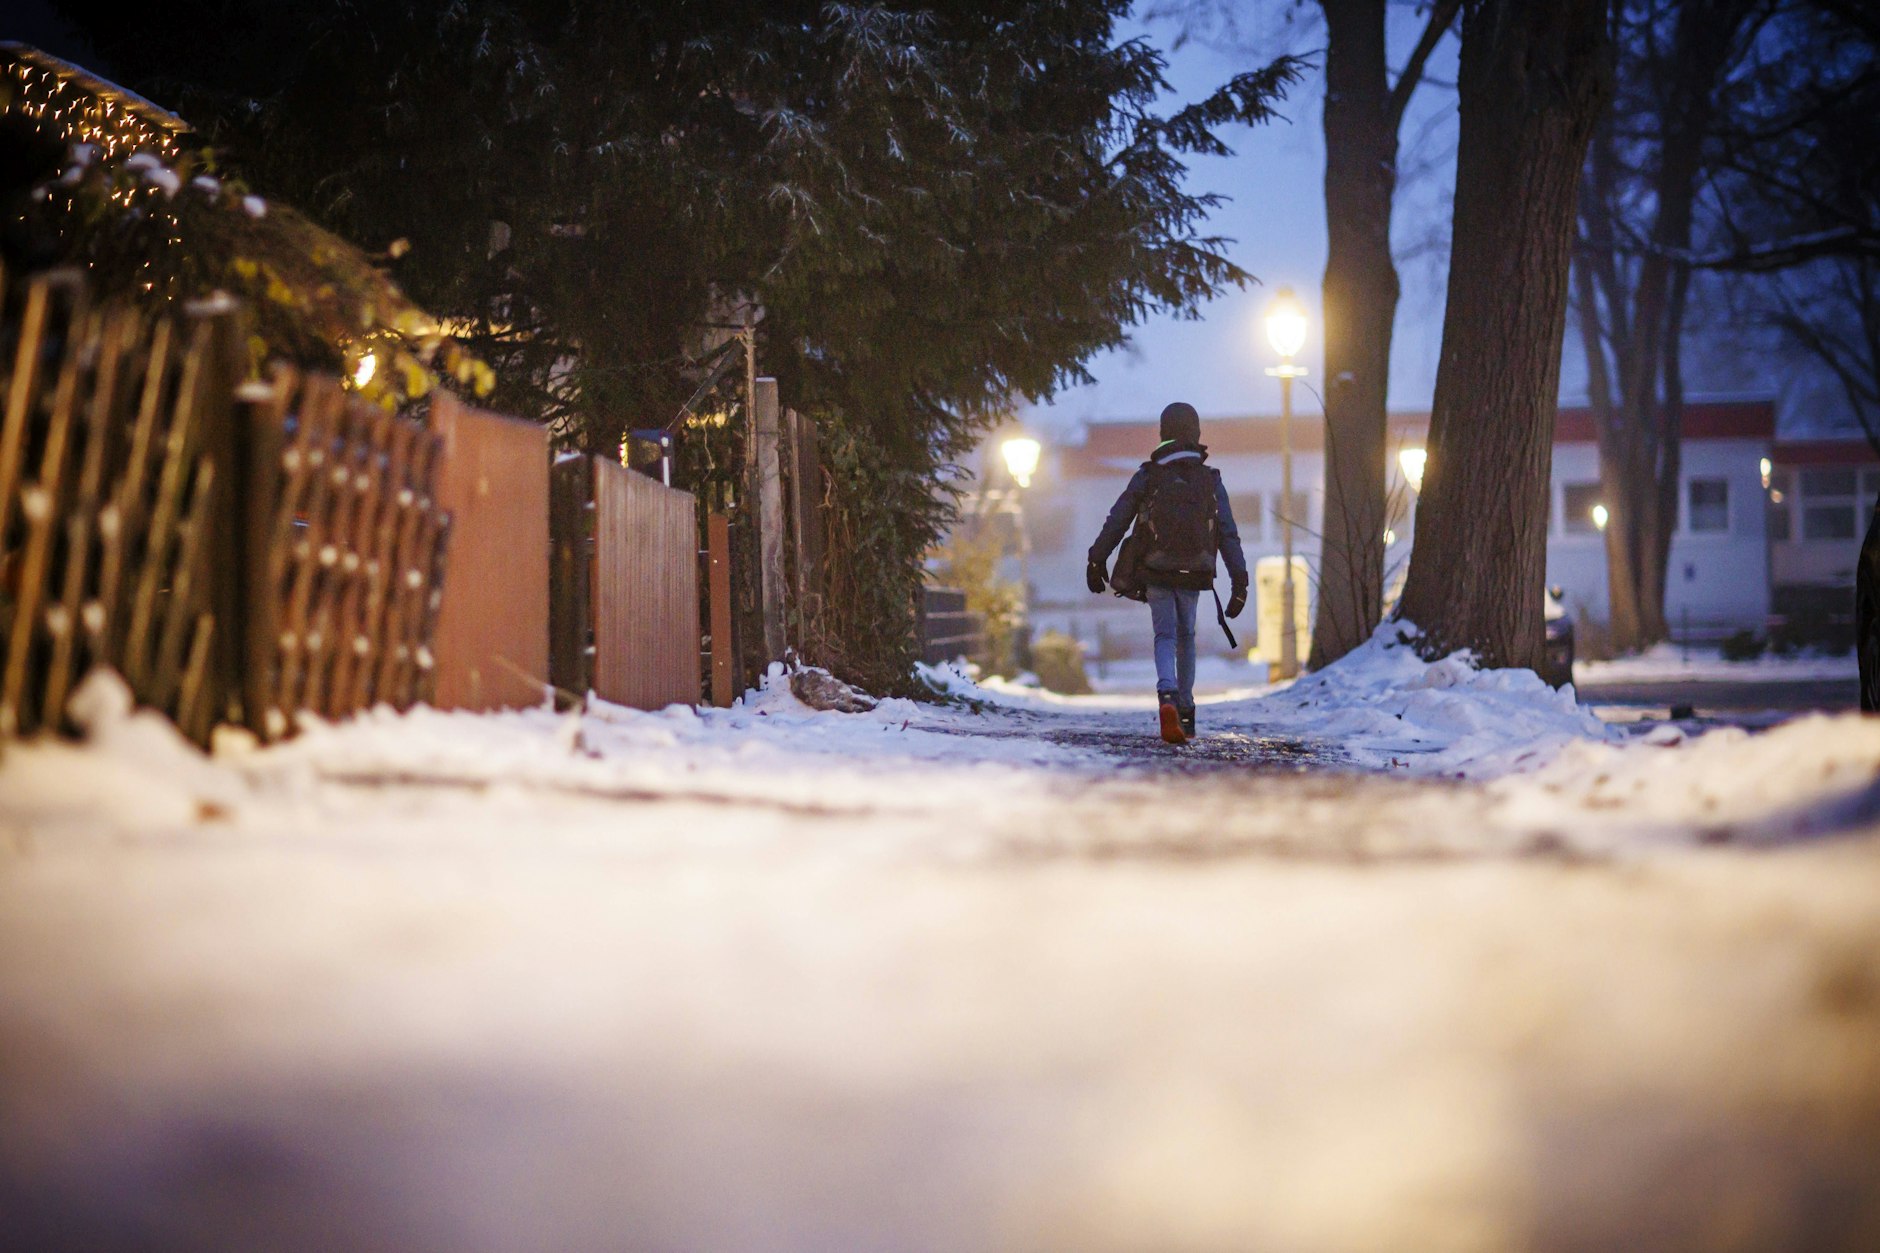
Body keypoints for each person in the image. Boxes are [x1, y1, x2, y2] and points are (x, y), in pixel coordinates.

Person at [1085, 401, 1247, 744]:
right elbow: (1228, 531)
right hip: (1196, 568)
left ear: (1163, 433)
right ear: (1196, 433)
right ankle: (1186, 710)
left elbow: (1118, 519)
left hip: (1156, 567)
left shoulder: (1149, 475)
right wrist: (1240, 582)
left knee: (1165, 635)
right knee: (1186, 634)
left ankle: (1167, 696)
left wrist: (1097, 558)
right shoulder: (1210, 479)